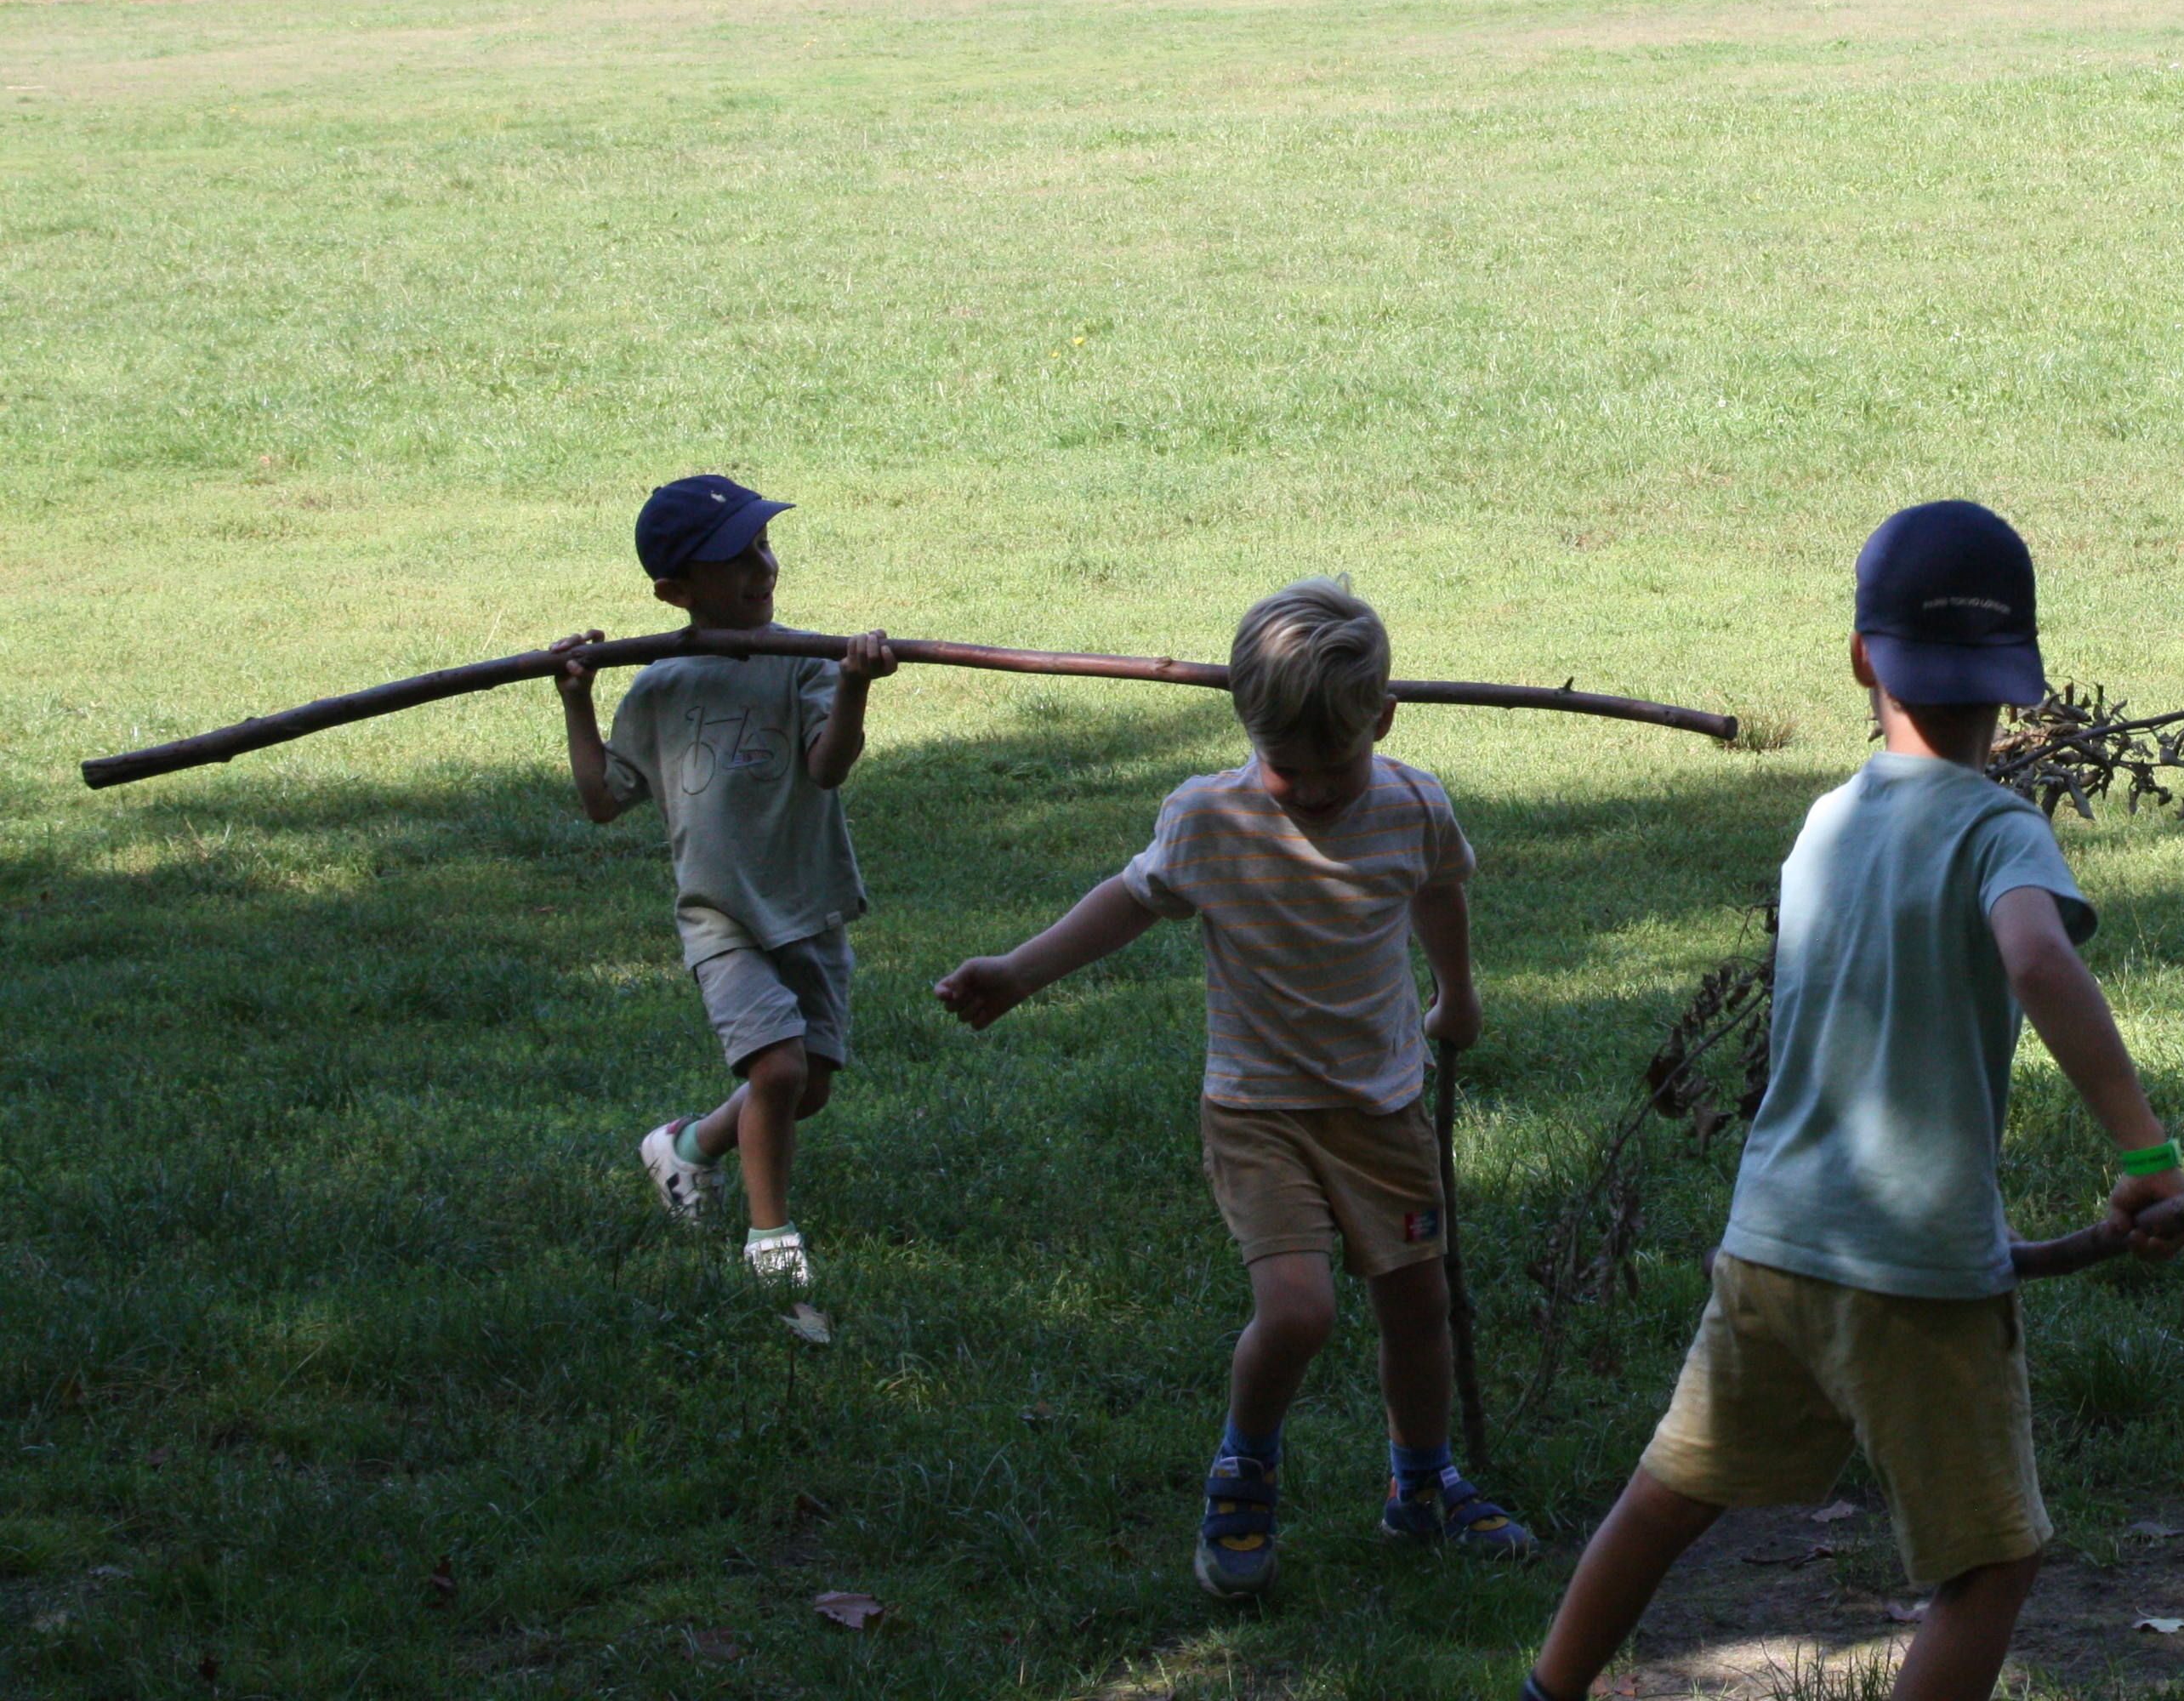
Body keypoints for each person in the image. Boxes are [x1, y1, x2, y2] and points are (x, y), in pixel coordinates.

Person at [1517, 500, 2184, 1701]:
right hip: (1914, 1273)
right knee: (1993, 1563)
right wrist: (2146, 1154)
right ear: (2022, 682)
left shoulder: (1824, 825)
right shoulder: (2000, 831)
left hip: (1774, 1240)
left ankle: (1546, 1690)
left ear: (1862, 658)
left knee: (1671, 1493)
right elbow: (2038, 959)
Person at [930, 580, 1532, 1600]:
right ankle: (1243, 1471)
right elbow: (1127, 901)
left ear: (1382, 721)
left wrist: (1458, 995)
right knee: (1297, 1312)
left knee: (1416, 1303)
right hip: (1258, 1111)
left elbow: (1438, 890)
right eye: (1287, 769)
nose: (1310, 791)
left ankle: (1420, 1485)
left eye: (1334, 766)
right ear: (1245, 726)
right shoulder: (1207, 818)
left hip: (1383, 1105)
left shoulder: (1413, 804)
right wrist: (1020, 971)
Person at [553, 475, 896, 1286]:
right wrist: (577, 699)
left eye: (763, 548)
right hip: (720, 917)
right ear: (676, 591)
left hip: (806, 905)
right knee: (776, 1071)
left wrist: (849, 685)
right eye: (736, 561)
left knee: (804, 1088)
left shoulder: (806, 663)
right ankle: (772, 1245)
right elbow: (605, 800)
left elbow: (828, 766)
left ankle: (683, 1149)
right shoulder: (659, 685)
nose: (763, 569)